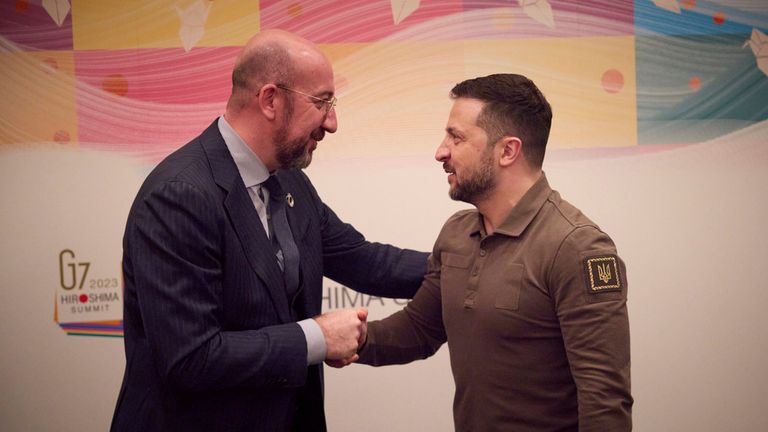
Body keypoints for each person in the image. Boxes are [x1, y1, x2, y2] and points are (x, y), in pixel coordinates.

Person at [110, 30, 428, 432]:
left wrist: (473, 264)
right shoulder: (180, 195)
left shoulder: (290, 182)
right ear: (270, 100)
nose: (332, 122)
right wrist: (315, 337)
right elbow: (191, 359)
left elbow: (366, 261)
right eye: (322, 102)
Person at [356, 74, 633, 431]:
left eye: (456, 137)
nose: (440, 151)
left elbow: (605, 403)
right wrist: (337, 340)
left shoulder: (577, 247)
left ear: (507, 150)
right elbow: (418, 330)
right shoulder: (457, 232)